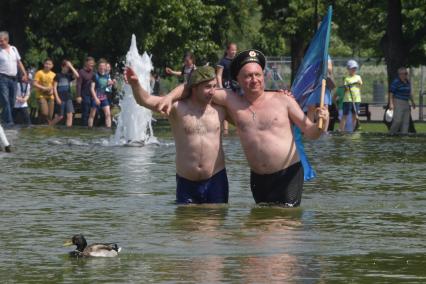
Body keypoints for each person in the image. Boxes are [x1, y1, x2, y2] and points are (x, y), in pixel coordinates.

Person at [162, 50, 329, 207]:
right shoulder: (231, 100)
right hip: (258, 179)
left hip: (287, 174)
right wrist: (169, 97)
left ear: (263, 76)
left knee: (284, 225)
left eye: (258, 74)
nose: (254, 79)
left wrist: (321, 124)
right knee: (260, 228)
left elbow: (311, 132)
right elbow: (191, 87)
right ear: (238, 80)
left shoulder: (283, 100)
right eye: (248, 76)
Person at [126, 66, 229, 204]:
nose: (212, 92)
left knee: (215, 222)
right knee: (185, 223)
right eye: (207, 87)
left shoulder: (220, 109)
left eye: (214, 86)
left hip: (216, 179)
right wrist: (135, 84)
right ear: (194, 88)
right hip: (186, 181)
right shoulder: (176, 108)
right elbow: (145, 100)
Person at [0, 31, 28, 127]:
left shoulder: (13, 49)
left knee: (12, 101)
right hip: (2, 78)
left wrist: (24, 73)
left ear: (7, 40)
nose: (0, 43)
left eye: (2, 41)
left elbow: (19, 62)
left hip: (13, 78)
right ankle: (9, 122)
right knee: (5, 100)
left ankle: (3, 120)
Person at [50, 60, 79, 127]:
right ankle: (49, 126)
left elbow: (77, 75)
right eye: (66, 67)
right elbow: (54, 87)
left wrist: (71, 66)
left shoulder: (69, 75)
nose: (67, 69)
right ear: (62, 67)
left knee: (70, 115)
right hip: (60, 97)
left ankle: (68, 131)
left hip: (68, 97)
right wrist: (57, 98)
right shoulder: (58, 75)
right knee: (60, 116)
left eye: (68, 67)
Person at [216, 42, 238, 134]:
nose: (234, 52)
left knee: (236, 107)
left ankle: (238, 128)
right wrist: (220, 87)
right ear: (227, 50)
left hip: (236, 86)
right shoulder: (222, 61)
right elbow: (218, 75)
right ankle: (225, 131)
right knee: (225, 107)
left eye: (235, 50)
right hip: (226, 86)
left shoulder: (237, 61)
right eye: (232, 50)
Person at [388, 67, 416, 134]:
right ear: (399, 74)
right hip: (398, 101)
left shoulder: (407, 82)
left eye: (406, 73)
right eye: (403, 74)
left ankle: (404, 136)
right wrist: (391, 103)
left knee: (406, 122)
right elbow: (391, 93)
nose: (405, 75)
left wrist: (412, 102)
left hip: (406, 102)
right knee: (397, 120)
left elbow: (409, 93)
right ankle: (391, 134)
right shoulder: (396, 82)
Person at [88, 59, 113, 128]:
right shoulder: (95, 76)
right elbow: (92, 88)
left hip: (104, 97)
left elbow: (104, 85)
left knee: (108, 114)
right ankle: (90, 129)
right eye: (100, 66)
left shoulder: (107, 76)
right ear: (98, 67)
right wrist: (96, 99)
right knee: (92, 115)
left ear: (105, 67)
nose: (102, 68)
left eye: (103, 66)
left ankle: (108, 129)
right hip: (95, 97)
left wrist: (111, 83)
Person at [339, 59, 362, 132]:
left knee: (355, 115)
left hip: (356, 99)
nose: (354, 69)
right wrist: (348, 86)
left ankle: (354, 129)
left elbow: (360, 84)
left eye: (355, 68)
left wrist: (356, 83)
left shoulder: (358, 77)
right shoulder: (346, 78)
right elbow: (346, 88)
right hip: (348, 99)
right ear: (348, 69)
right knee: (345, 115)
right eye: (352, 68)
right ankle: (341, 130)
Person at [33, 58, 56, 124]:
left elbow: (54, 85)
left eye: (49, 64)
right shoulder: (39, 72)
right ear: (44, 64)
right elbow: (34, 83)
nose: (47, 65)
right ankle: (41, 124)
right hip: (41, 95)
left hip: (50, 96)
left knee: (50, 116)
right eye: (46, 63)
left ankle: (46, 128)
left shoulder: (53, 74)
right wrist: (43, 88)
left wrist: (52, 91)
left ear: (52, 66)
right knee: (45, 112)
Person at [76, 56, 95, 126]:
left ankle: (91, 126)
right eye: (90, 63)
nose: (92, 65)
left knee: (93, 111)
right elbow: (78, 84)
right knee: (86, 112)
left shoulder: (93, 72)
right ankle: (84, 127)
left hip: (92, 95)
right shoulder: (81, 72)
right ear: (86, 63)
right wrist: (78, 96)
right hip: (84, 95)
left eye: (93, 63)